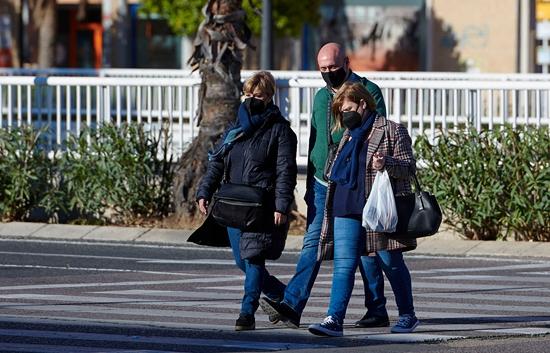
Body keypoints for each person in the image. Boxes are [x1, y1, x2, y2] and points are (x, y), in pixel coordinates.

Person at [259, 42, 388, 329]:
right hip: (321, 182)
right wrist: (308, 183)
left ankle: (377, 307)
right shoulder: (320, 98)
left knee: (365, 249)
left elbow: (378, 130)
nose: (329, 73)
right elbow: (315, 140)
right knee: (312, 245)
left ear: (346, 62)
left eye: (333, 67)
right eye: (323, 69)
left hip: (353, 183)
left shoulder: (368, 91)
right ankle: (292, 304)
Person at [308, 82, 419, 337]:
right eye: (341, 110)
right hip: (346, 205)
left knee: (390, 262)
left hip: (377, 208)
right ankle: (334, 319)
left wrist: (387, 162)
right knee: (344, 264)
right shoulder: (348, 133)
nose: (345, 115)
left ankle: (407, 314)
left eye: (348, 108)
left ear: (363, 104)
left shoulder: (391, 131)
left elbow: (409, 168)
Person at [192, 71, 297, 331]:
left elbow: (286, 171)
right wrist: (204, 191)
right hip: (232, 204)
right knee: (242, 261)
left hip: (261, 206)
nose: (251, 99)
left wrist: (282, 205)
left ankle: (246, 313)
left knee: (253, 260)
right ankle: (285, 296)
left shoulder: (280, 130)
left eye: (258, 95)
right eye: (248, 94)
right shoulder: (235, 128)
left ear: (270, 97)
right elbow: (217, 161)